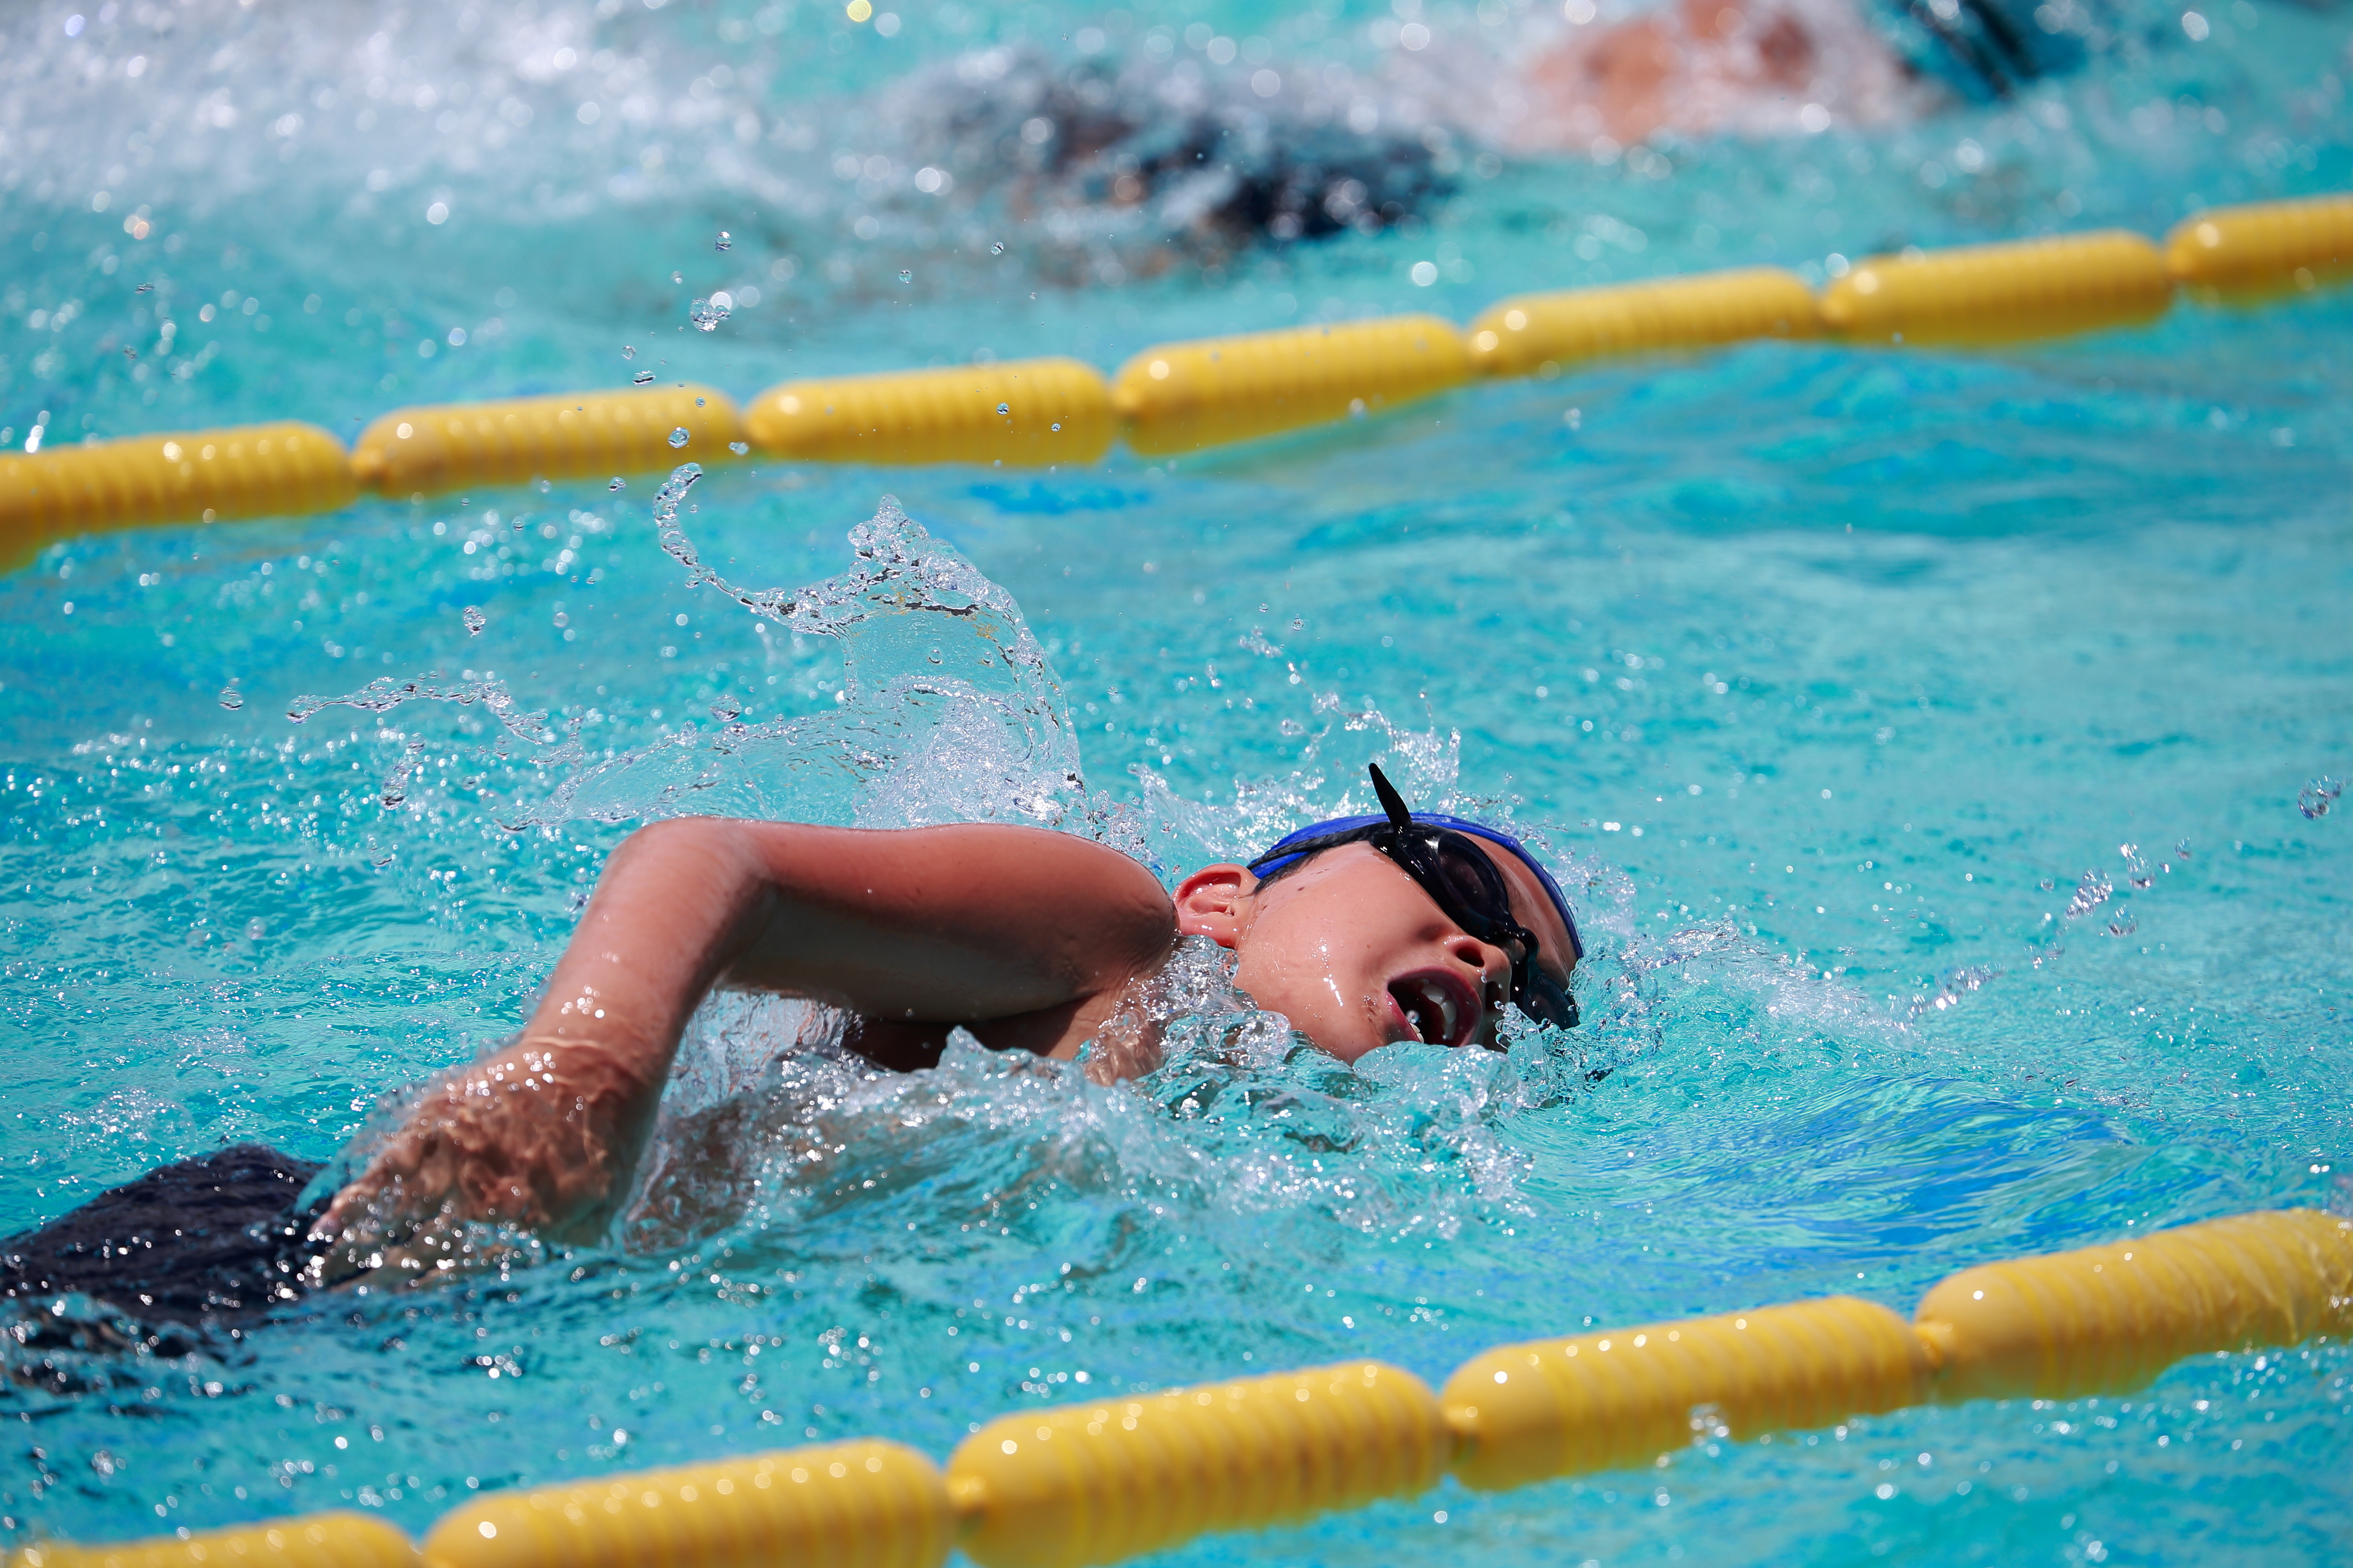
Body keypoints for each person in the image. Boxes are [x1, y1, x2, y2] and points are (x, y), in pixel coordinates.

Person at [309, 764, 1582, 1279]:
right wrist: (585, 1069)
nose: (1483, 950)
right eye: (1456, 884)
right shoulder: (1120, 943)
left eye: (1528, 989)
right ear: (1223, 901)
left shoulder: (1255, 1197)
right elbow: (714, 861)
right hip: (352, 1243)